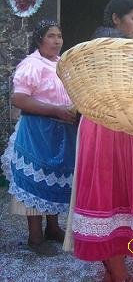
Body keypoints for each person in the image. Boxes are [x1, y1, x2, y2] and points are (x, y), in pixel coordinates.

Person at [65, 0, 133, 282]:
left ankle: (114, 270)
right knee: (110, 197)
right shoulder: (105, 49)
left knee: (120, 197)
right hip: (109, 131)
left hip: (129, 130)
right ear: (115, 18)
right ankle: (118, 273)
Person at [1, 20, 77, 256]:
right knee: (35, 180)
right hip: (37, 131)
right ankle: (35, 236)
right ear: (39, 40)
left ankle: (52, 228)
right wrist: (55, 111)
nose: (57, 41)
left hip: (59, 132)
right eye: (51, 36)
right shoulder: (31, 65)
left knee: (53, 178)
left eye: (60, 36)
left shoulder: (61, 64)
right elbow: (19, 99)